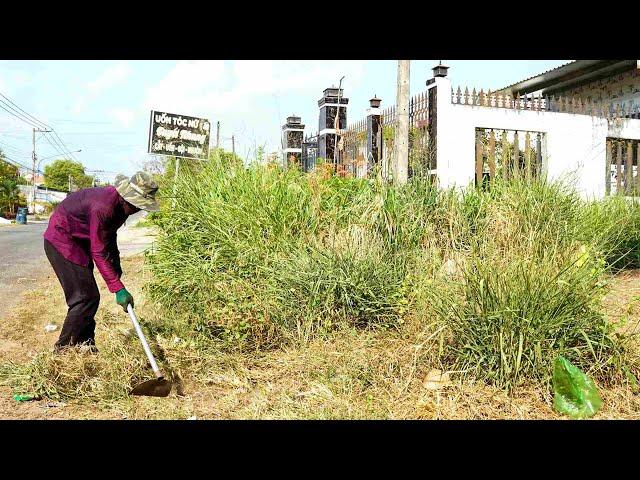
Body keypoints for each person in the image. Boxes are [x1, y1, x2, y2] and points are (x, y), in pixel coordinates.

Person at [43, 171, 160, 353]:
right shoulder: (103, 206)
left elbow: (108, 235)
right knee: (84, 298)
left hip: (80, 242)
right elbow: (98, 251)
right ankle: (63, 352)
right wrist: (117, 288)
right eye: (137, 205)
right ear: (126, 197)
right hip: (62, 240)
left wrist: (115, 263)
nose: (138, 209)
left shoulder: (122, 207)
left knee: (89, 297)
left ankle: (86, 346)